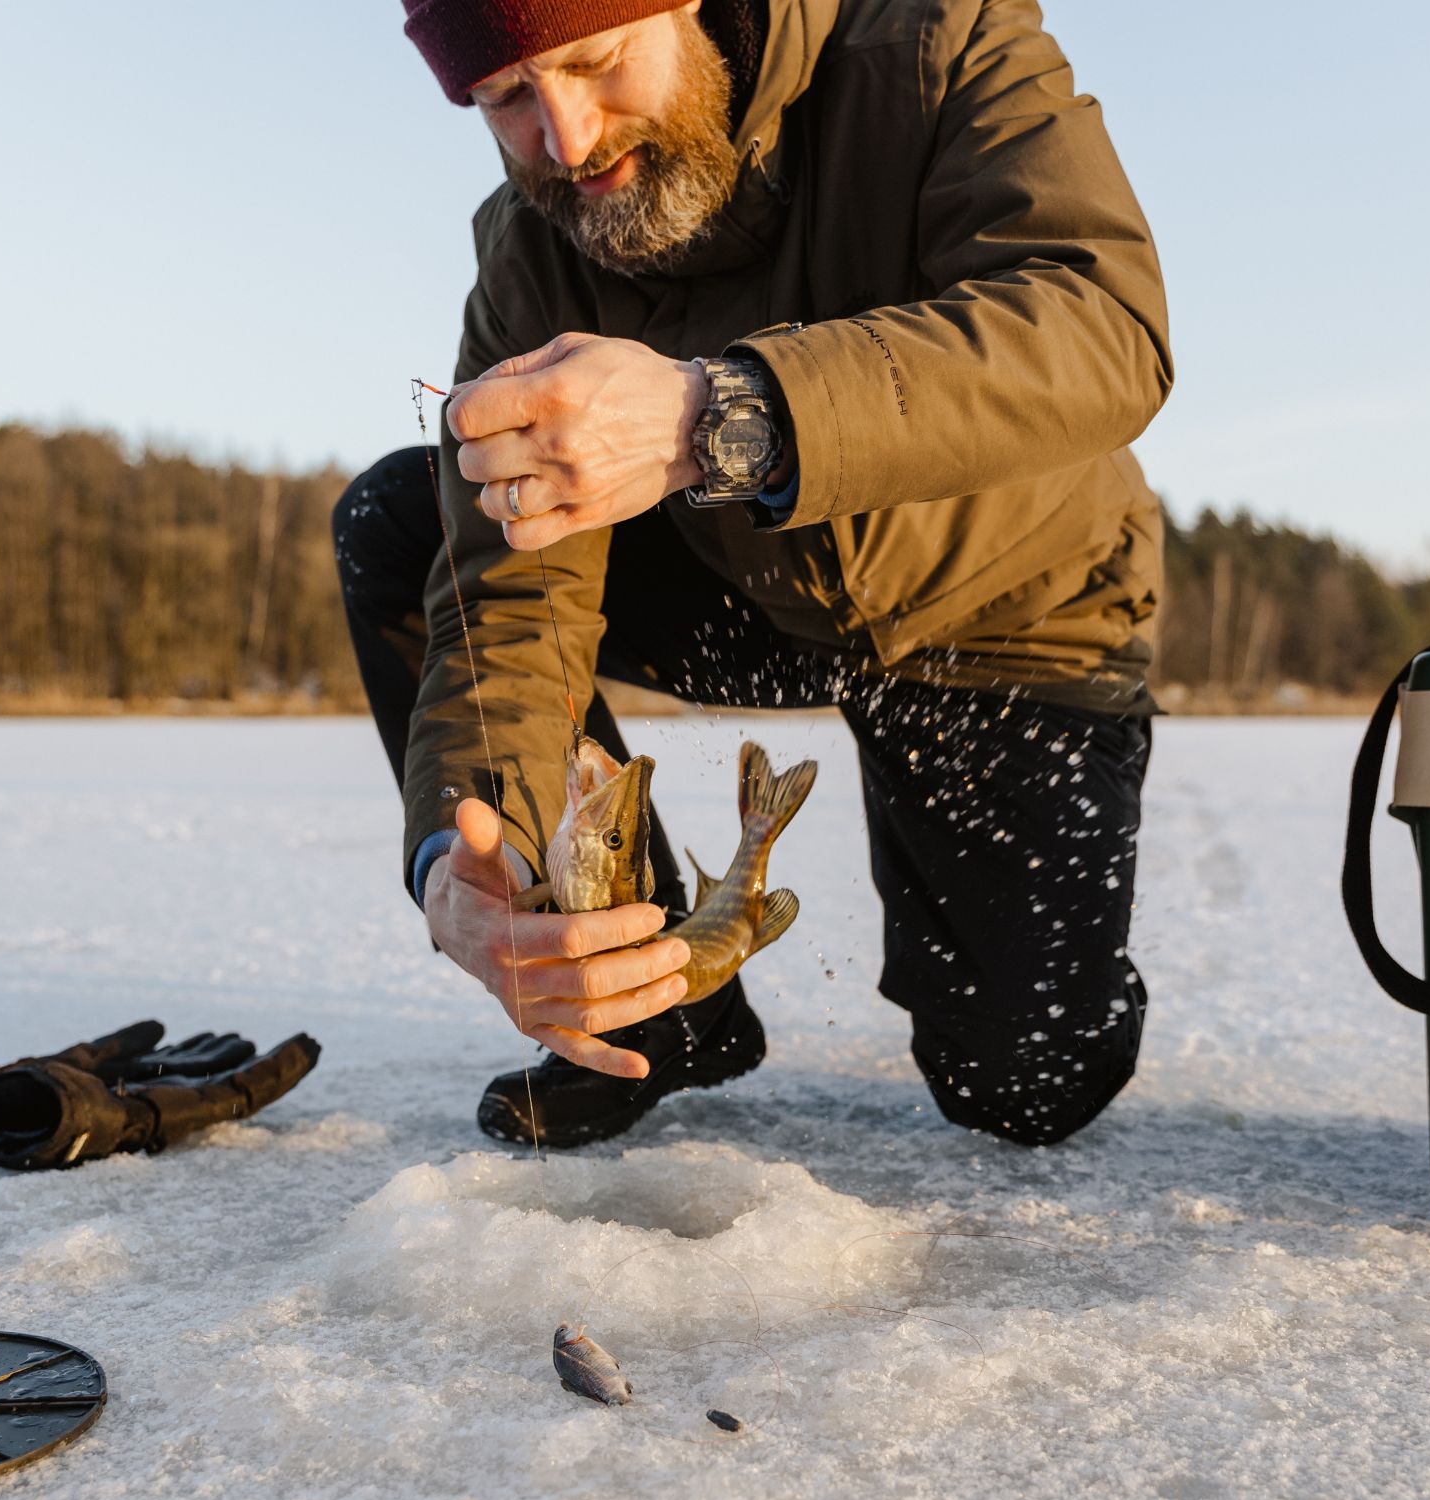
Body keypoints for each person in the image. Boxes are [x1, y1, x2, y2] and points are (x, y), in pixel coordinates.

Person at [336, 0, 1172, 1149]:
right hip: (752, 593)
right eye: (505, 100)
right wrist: (460, 854)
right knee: (407, 516)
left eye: (591, 62)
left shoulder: (935, 45)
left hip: (1006, 617)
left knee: (1025, 1086)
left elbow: (1101, 323)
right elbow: (510, 601)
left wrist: (717, 416)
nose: (566, 138)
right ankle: (669, 1003)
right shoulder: (529, 255)